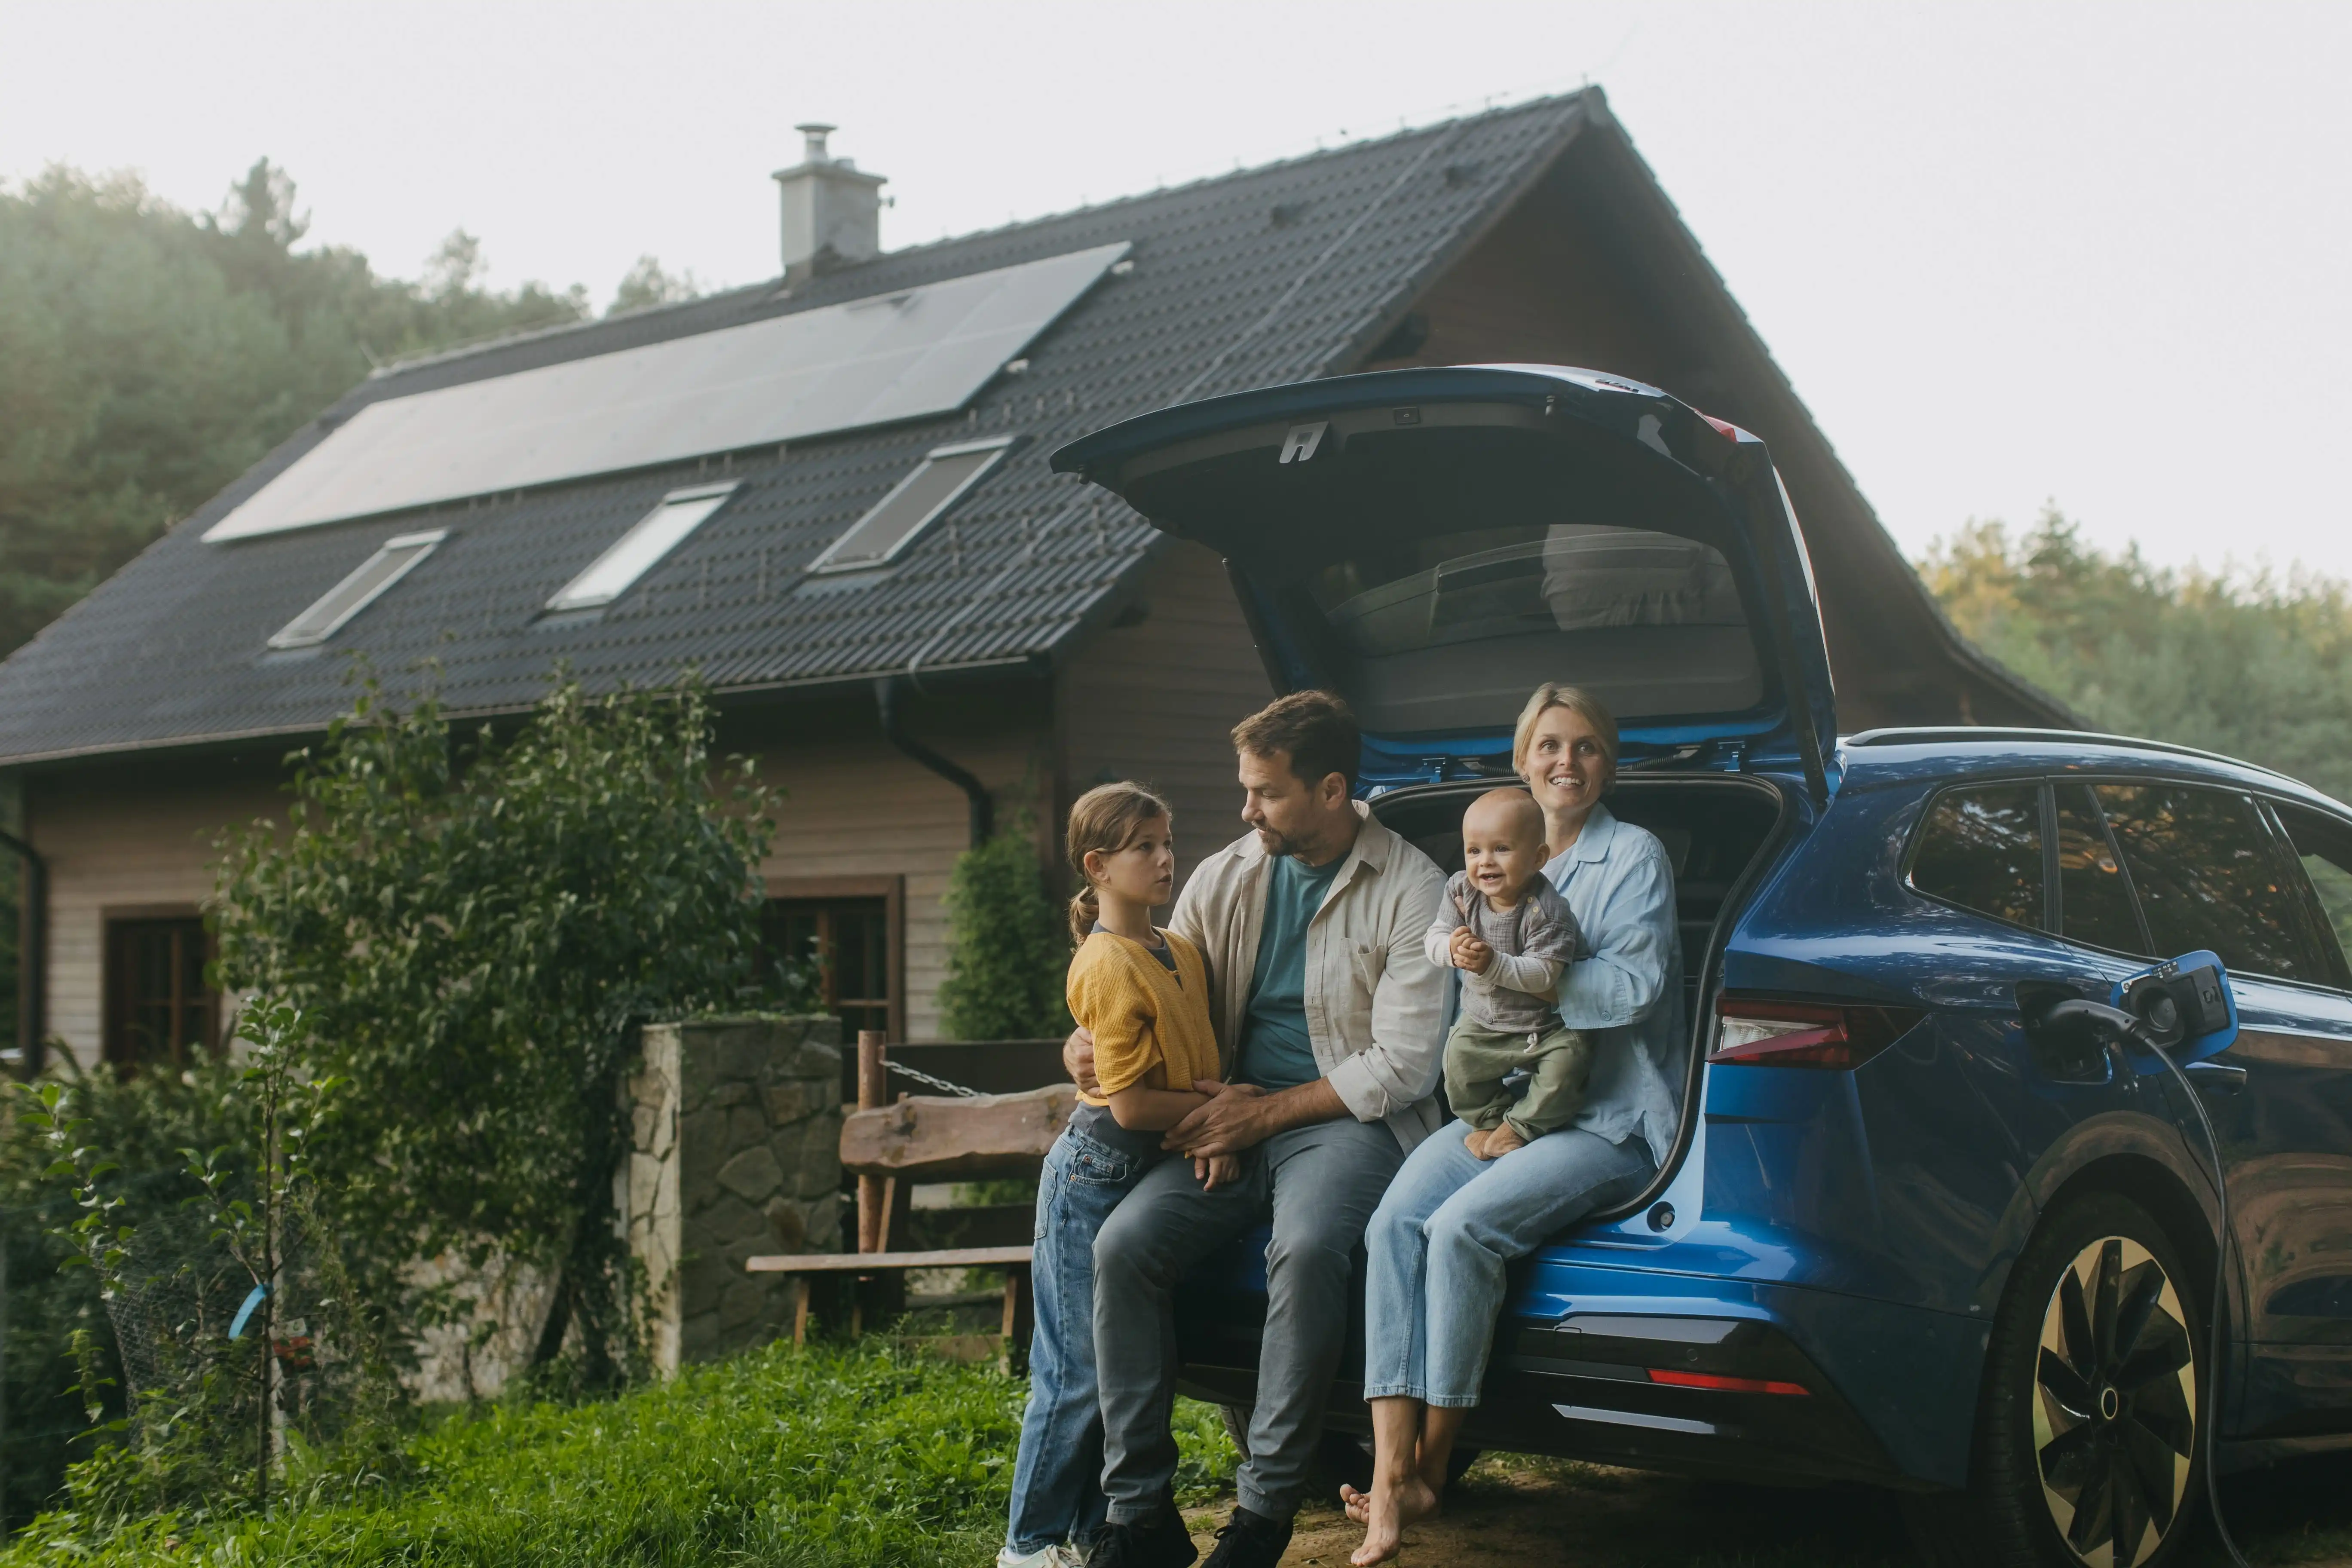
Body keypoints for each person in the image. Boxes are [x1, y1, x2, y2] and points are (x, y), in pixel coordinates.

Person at [1070, 692, 1447, 1568]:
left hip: (1345, 1121)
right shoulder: (1227, 874)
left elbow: (1403, 1066)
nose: (1246, 811)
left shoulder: (1412, 886)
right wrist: (1085, 1042)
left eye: (1265, 793)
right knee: (1124, 1248)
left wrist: (1259, 1115)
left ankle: (1263, 1514)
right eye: (1246, 790)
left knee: (1310, 1248)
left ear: (1330, 790)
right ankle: (1140, 1517)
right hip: (1222, 1112)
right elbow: (1151, 984)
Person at [1344, 684, 1683, 1567]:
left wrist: (1512, 969)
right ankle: (1391, 1475)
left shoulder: (1634, 856)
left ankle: (1436, 1466)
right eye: (1549, 747)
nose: (1566, 763)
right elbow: (1450, 977)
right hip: (1494, 1106)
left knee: (1462, 1230)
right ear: (1522, 759)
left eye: (1586, 747)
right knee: (1392, 1225)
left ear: (1609, 762)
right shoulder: (1486, 857)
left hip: (1604, 1118)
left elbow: (1635, 990)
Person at [1003, 783, 1233, 1568]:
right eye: (1145, 846)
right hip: (1091, 1177)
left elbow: (1193, 1065)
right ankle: (1027, 1546)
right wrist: (1219, 1111)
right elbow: (1132, 1105)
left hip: (1147, 1170)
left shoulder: (1181, 951)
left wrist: (1214, 1112)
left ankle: (1088, 1533)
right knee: (1073, 1372)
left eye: (1169, 840)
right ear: (1098, 865)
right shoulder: (1102, 962)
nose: (1166, 858)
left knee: (1121, 1372)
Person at [1427, 787, 1590, 1163]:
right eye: (1474, 850)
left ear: (1538, 858)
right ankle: (1487, 1119)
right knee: (1457, 1062)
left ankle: (1521, 1126)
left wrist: (1491, 964)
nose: (1485, 862)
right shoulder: (1462, 890)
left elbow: (1545, 976)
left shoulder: (1549, 913)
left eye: (1501, 849)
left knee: (1568, 1068)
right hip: (1486, 1017)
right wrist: (1450, 949)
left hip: (1548, 1025)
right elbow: (1433, 937)